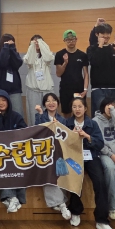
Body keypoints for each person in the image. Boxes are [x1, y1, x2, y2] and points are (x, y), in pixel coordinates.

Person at [65, 97, 115, 229]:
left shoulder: (92, 123)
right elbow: (61, 143)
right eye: (74, 106)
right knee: (75, 180)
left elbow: (99, 144)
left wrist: (87, 137)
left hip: (91, 156)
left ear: (85, 108)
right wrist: (72, 137)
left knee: (100, 181)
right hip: (74, 157)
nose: (77, 109)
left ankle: (102, 220)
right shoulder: (67, 123)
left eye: (80, 106)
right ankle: (75, 211)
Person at [32, 93, 72, 221]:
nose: (51, 103)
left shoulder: (63, 120)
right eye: (48, 101)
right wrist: (40, 114)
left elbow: (66, 138)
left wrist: (58, 126)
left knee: (62, 170)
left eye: (54, 100)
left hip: (60, 152)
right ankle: (62, 204)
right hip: (44, 152)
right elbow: (37, 132)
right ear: (44, 104)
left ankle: (58, 202)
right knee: (47, 168)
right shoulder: (40, 116)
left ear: (58, 103)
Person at [0, 90, 27, 213]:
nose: (1, 103)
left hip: (15, 152)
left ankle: (13, 199)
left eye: (3, 100)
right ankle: (11, 198)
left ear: (8, 101)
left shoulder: (16, 116)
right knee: (2, 166)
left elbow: (24, 132)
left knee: (20, 165)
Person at [87, 21, 115, 116]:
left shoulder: (114, 48)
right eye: (103, 34)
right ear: (97, 34)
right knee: (99, 116)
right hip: (99, 89)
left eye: (108, 34)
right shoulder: (92, 48)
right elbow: (95, 62)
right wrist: (100, 46)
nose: (106, 36)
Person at [54, 30, 89, 117]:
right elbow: (58, 74)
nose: (71, 42)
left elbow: (86, 74)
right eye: (68, 40)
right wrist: (65, 62)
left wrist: (85, 89)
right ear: (64, 40)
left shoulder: (82, 55)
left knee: (80, 112)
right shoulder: (59, 54)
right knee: (66, 113)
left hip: (79, 88)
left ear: (76, 39)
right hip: (65, 88)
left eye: (73, 39)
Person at [23, 34, 55, 126]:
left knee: (49, 114)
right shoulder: (28, 56)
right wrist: (32, 46)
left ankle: (49, 132)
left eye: (39, 41)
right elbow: (29, 61)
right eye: (34, 41)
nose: (36, 43)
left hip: (47, 89)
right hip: (33, 89)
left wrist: (41, 44)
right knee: (33, 115)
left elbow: (48, 58)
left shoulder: (47, 55)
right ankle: (34, 133)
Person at [0, 34, 24, 119]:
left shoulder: (15, 54)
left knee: (18, 113)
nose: (10, 43)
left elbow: (17, 64)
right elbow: (2, 63)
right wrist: (5, 48)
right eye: (8, 41)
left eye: (12, 42)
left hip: (15, 89)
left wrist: (12, 49)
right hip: (1, 89)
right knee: (1, 114)